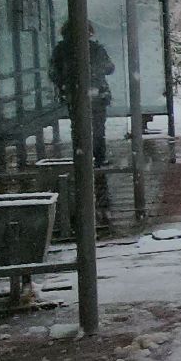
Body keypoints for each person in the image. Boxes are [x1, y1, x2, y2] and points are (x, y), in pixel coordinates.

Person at [50, 19, 116, 219]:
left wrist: (67, 84)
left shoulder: (61, 50)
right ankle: (98, 157)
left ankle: (83, 155)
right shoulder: (94, 48)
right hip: (96, 95)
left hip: (75, 95)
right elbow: (109, 68)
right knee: (98, 127)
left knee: (78, 126)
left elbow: (54, 73)